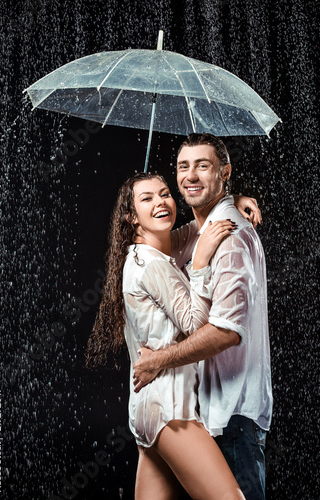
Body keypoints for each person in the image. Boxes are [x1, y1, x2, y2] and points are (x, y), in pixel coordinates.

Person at [86, 172, 260, 499]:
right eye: (147, 198)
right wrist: (202, 262)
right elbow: (197, 323)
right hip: (170, 409)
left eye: (165, 193)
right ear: (131, 216)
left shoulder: (146, 252)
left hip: (146, 410)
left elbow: (194, 232)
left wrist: (229, 205)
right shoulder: (151, 264)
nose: (161, 202)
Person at [133, 134, 273, 500]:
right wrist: (225, 200)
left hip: (230, 414)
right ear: (130, 216)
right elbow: (175, 242)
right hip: (188, 410)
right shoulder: (160, 253)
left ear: (225, 172)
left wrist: (230, 201)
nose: (190, 175)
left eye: (203, 166)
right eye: (183, 166)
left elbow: (226, 332)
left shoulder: (227, 236)